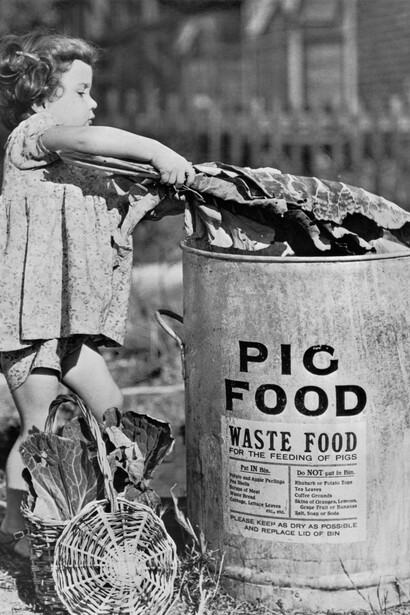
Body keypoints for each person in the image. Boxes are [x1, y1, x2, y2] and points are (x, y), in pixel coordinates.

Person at [0, 30, 195, 558]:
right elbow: (88, 140)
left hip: (63, 324)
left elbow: (112, 210)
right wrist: (155, 148)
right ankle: (18, 533)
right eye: (81, 92)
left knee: (111, 409)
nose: (93, 103)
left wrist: (162, 198)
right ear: (43, 96)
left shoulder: (73, 169)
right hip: (28, 321)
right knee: (37, 429)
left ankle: (119, 511)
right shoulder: (34, 137)